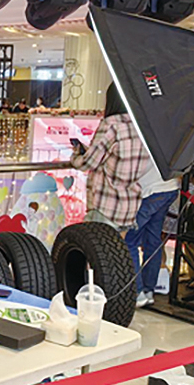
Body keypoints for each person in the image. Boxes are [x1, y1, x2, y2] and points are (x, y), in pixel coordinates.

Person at [71, 83, 149, 232]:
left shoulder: (112, 124)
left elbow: (87, 164)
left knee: (92, 245)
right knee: (118, 246)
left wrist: (75, 156)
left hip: (107, 205)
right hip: (129, 204)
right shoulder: (142, 125)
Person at [125, 162, 180, 308]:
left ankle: (136, 292)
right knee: (153, 239)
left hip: (149, 189)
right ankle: (148, 290)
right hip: (169, 187)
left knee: (129, 241)